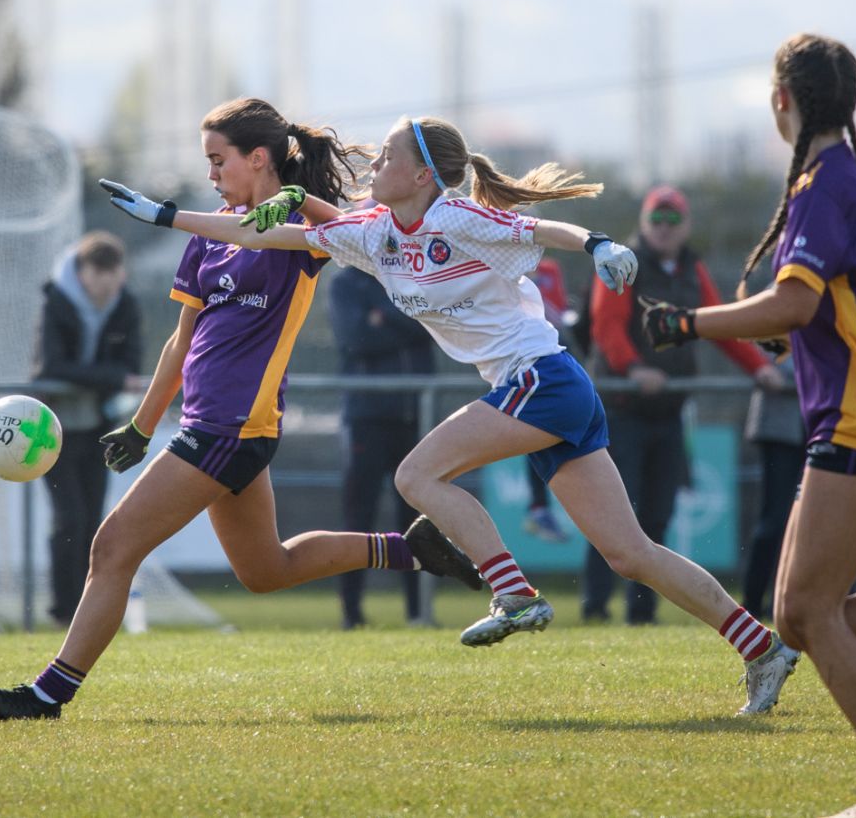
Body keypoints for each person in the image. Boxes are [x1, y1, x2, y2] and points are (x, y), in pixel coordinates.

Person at [107, 112, 801, 716]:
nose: (373, 166)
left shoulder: (454, 215)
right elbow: (269, 237)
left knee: (417, 475)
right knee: (630, 554)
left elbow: (539, 226)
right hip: (547, 390)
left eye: (387, 158)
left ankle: (512, 593)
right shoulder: (377, 234)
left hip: (543, 379)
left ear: (421, 178)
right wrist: (169, 216)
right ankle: (761, 649)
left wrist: (597, 244)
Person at [0, 97, 480, 721]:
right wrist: (142, 425)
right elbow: (182, 341)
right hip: (215, 427)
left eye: (218, 160)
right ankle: (410, 549)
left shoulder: (297, 231)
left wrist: (291, 197)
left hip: (231, 430)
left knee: (112, 547)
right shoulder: (211, 236)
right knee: (266, 569)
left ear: (257, 158)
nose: (210, 174)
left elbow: (351, 223)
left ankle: (47, 695)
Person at [640, 34, 856, 818]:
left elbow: (796, 302)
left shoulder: (825, 184)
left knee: (808, 613)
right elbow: (833, 306)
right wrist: (799, 333)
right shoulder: (843, 180)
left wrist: (688, 324)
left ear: (783, 100)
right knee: (798, 615)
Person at [583, 185, 784, 624]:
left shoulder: (692, 267)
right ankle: (595, 608)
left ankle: (642, 612)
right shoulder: (623, 261)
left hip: (668, 410)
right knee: (614, 515)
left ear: (686, 225)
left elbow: (718, 323)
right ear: (643, 221)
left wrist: (759, 369)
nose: (664, 228)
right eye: (657, 218)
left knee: (657, 513)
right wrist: (636, 370)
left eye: (673, 220)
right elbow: (606, 327)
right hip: (621, 408)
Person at [31, 231, 142, 626]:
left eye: (115, 272)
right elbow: (51, 368)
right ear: (82, 272)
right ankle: (62, 611)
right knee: (69, 519)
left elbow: (132, 365)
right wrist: (109, 378)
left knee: (94, 521)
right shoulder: (56, 301)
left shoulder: (125, 304)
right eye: (100, 271)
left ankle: (86, 611)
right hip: (51, 429)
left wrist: (104, 379)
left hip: (99, 427)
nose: (108, 281)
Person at [329, 262, 437, 629]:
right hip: (366, 417)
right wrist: (405, 318)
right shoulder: (345, 282)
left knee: (416, 520)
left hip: (415, 418)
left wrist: (384, 317)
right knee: (358, 517)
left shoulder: (411, 276)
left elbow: (434, 327)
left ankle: (417, 613)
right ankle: (351, 614)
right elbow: (353, 338)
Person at [740, 354, 805, 622]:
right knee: (774, 521)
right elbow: (762, 357)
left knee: (823, 521)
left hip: (825, 426)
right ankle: (752, 607)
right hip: (782, 427)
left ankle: (812, 602)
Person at [521, 256, 572, 543]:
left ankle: (541, 507)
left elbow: (558, 313)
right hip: (517, 365)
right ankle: (539, 507)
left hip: (549, 361)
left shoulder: (551, 268)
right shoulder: (500, 261)